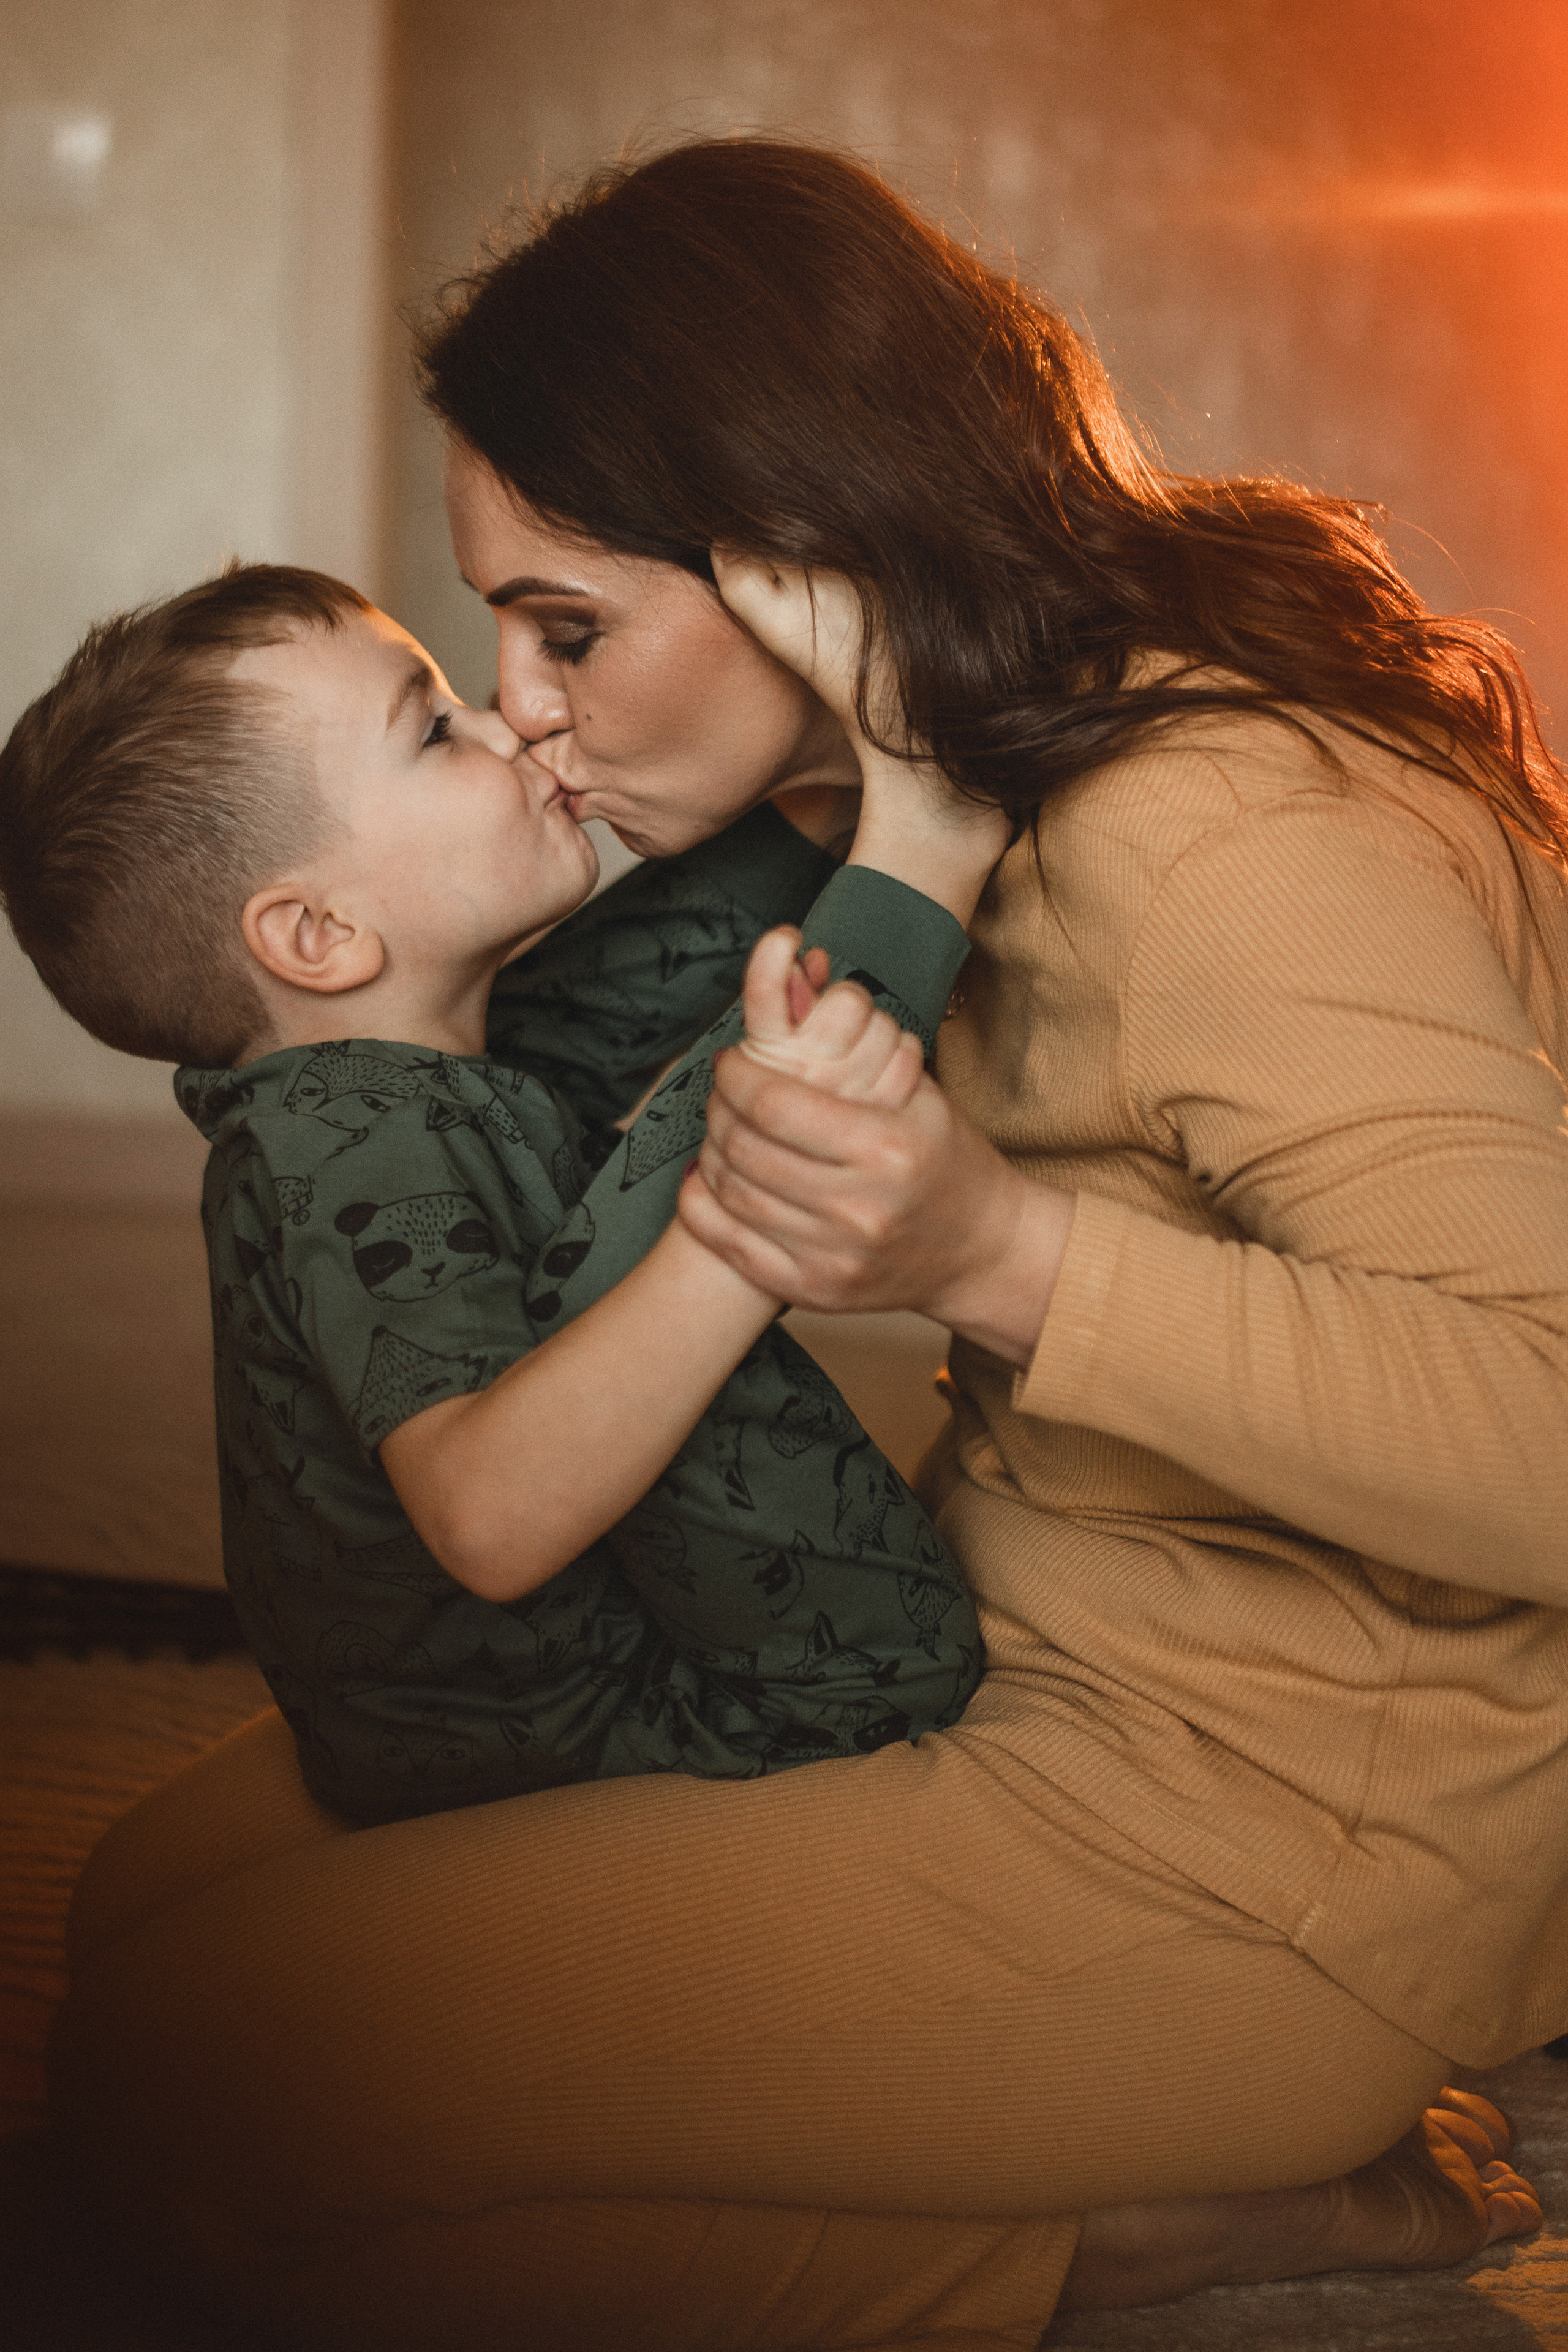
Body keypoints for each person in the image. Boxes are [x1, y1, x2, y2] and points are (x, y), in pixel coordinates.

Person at [47, 137, 1568, 2350]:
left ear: (805, 560)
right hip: (950, 1653)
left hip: (1250, 1847)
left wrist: (999, 1253)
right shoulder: (890, 804)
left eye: (564, 626)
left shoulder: (1236, 834)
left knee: (191, 2094)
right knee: (137, 1912)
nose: (525, 706)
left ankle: (1138, 2229)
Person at [0, 559, 996, 1824]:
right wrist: (741, 1226)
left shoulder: (380, 1068)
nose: (505, 717)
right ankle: (925, 855)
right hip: (632, 1737)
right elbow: (488, 1515)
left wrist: (834, 742)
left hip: (518, 1719)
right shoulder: (350, 1152)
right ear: (318, 936)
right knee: (695, 1144)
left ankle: (889, 839)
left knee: (565, 1042)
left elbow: (666, 942)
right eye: (430, 730)